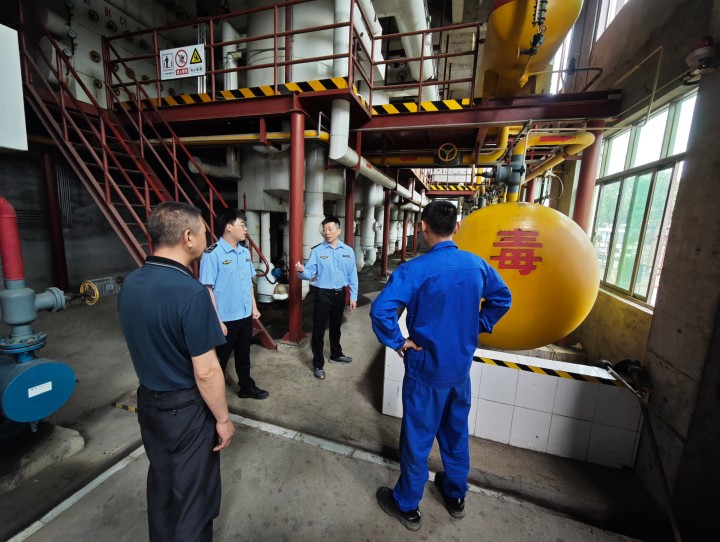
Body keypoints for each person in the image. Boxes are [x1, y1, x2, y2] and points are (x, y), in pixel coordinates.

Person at [369, 200, 512, 531]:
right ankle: (455, 494)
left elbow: (380, 310)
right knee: (456, 433)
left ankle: (406, 504)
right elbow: (503, 298)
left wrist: (398, 341)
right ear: (456, 228)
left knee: (418, 439)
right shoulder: (476, 265)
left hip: (426, 370)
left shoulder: (414, 270)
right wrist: (476, 325)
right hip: (460, 370)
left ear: (423, 228)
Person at [117, 201, 235, 542]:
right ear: (187, 237)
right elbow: (207, 371)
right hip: (184, 410)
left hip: (148, 403)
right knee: (193, 499)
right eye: (204, 233)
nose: (207, 239)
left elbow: (154, 331)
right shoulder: (190, 292)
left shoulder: (132, 282)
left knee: (164, 486)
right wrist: (223, 419)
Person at [200, 208, 269, 400]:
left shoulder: (245, 252)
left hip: (245, 315)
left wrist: (254, 307)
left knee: (243, 354)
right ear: (229, 227)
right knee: (219, 359)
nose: (246, 229)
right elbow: (207, 290)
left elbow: (248, 283)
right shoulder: (212, 254)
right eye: (242, 225)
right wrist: (217, 321)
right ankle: (211, 397)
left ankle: (246, 387)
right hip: (225, 319)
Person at [294, 216, 358, 380]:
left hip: (340, 294)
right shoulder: (317, 251)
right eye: (324, 230)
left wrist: (353, 296)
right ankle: (318, 364)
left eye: (330, 229)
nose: (326, 232)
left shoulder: (348, 251)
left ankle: (336, 354)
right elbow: (309, 274)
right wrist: (301, 271)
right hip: (323, 295)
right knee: (319, 330)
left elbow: (352, 275)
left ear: (338, 230)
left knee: (336, 327)